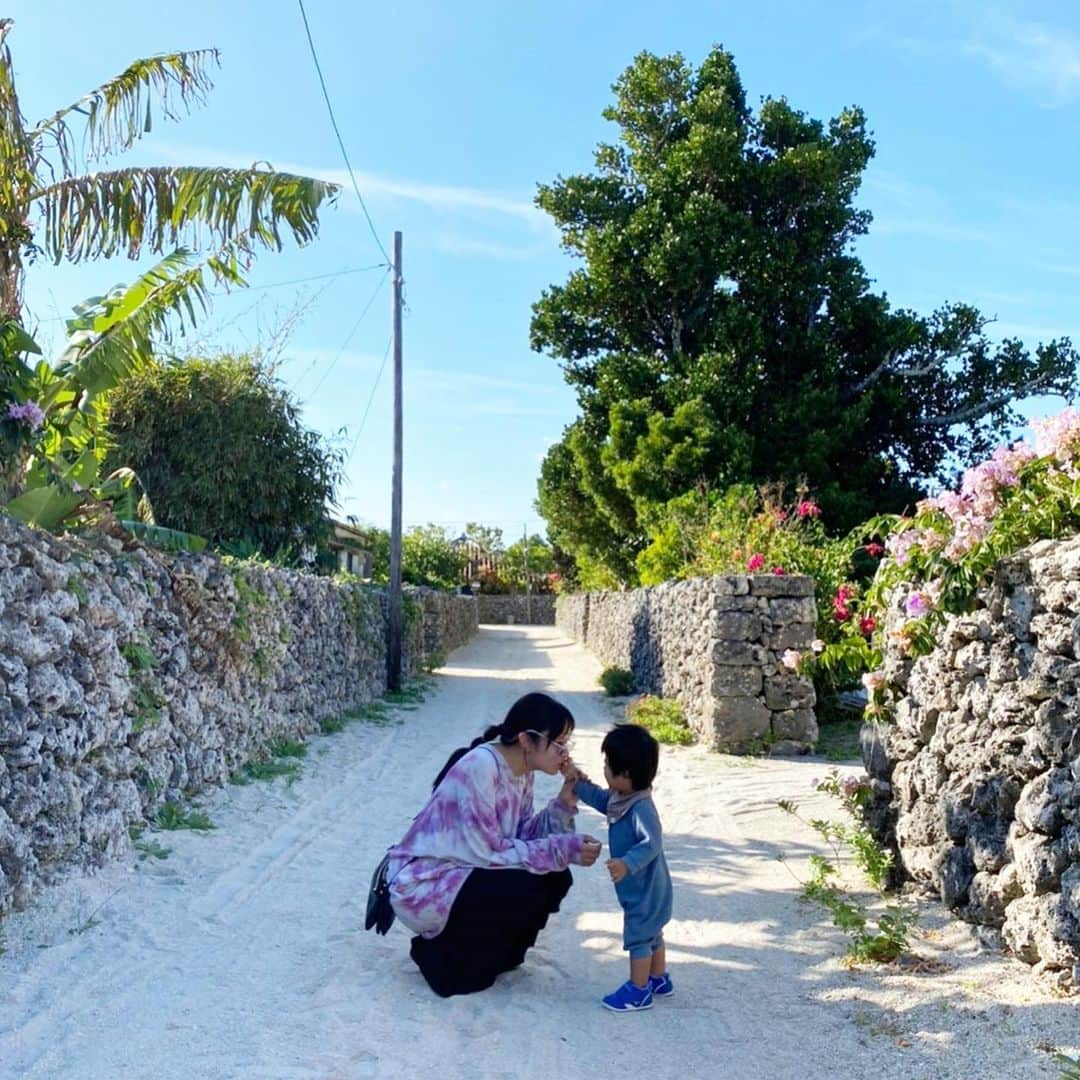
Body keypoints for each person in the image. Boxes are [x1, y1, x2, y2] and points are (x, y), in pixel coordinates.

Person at [386, 692, 602, 997]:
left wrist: (564, 804)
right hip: (428, 882)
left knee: (556, 877)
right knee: (525, 883)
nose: (565, 755)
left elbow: (522, 835)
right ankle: (436, 953)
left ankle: (502, 956)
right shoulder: (480, 767)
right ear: (527, 740)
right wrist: (564, 848)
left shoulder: (522, 771)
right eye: (559, 744)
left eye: (567, 745)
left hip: (465, 869)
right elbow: (488, 854)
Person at [573, 723, 674, 1012]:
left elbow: (652, 842)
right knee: (653, 933)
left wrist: (626, 864)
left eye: (607, 765)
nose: (604, 769)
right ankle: (659, 979)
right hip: (648, 889)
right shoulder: (622, 797)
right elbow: (601, 799)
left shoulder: (641, 807)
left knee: (640, 936)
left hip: (646, 889)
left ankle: (638, 990)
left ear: (626, 774)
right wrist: (578, 783)